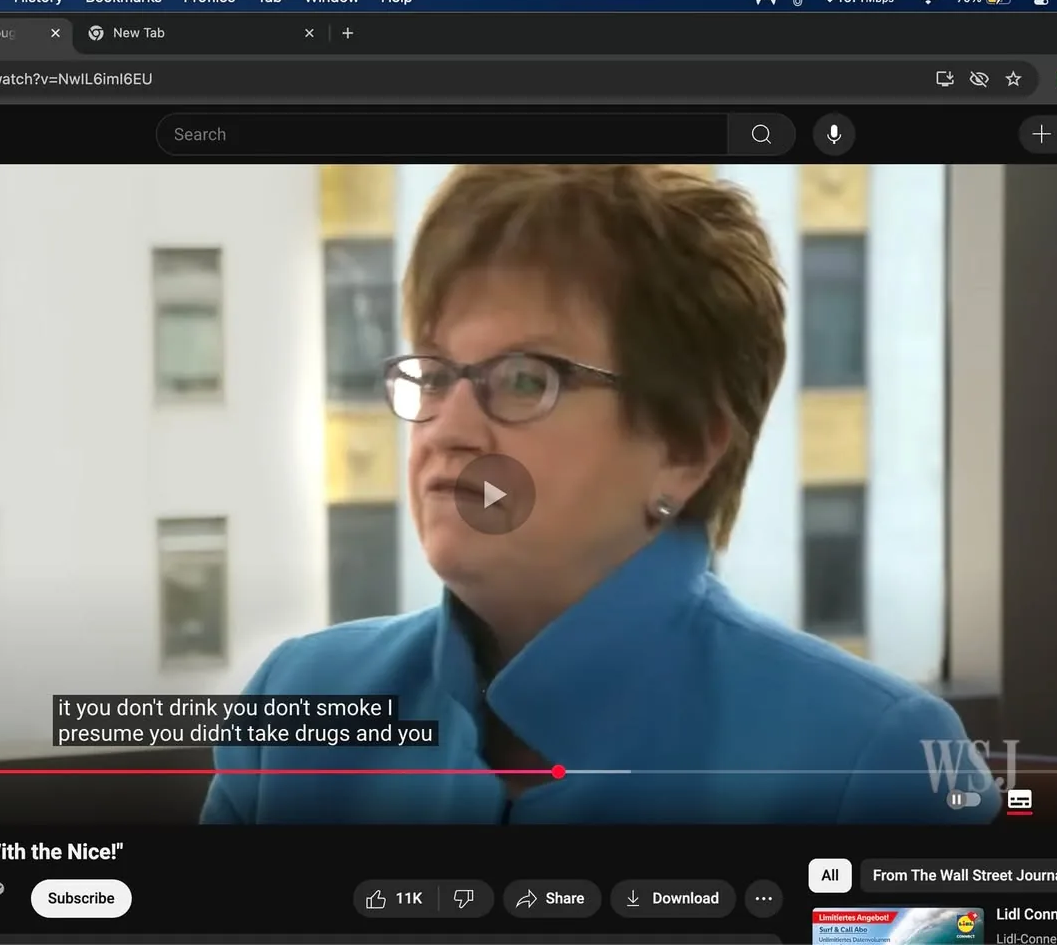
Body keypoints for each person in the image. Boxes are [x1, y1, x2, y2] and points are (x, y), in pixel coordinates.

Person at [202, 164, 1000, 825]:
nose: (449, 428)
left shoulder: (871, 760)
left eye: (525, 379)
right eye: (437, 373)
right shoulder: (302, 700)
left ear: (684, 448)